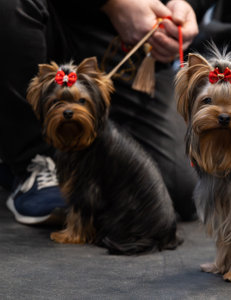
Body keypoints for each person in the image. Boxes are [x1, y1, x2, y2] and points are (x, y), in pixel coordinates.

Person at [0, 0, 213, 225]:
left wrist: (186, 5)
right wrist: (113, 4)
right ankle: (30, 157)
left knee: (184, 190)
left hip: (134, 45)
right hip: (49, 19)